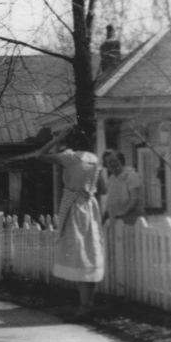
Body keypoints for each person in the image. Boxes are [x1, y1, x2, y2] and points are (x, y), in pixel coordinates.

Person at [38, 128, 106, 320]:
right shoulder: (94, 159)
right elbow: (103, 188)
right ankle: (88, 303)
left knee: (78, 253)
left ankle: (84, 306)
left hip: (74, 207)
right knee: (90, 251)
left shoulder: (70, 157)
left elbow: (40, 155)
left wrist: (57, 140)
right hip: (90, 207)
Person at [103, 150, 145, 226]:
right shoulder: (112, 179)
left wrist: (122, 213)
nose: (113, 164)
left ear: (121, 160)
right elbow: (110, 201)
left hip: (133, 219)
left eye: (115, 160)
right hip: (117, 220)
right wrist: (105, 216)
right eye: (109, 162)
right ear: (106, 165)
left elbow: (134, 200)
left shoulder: (131, 175)